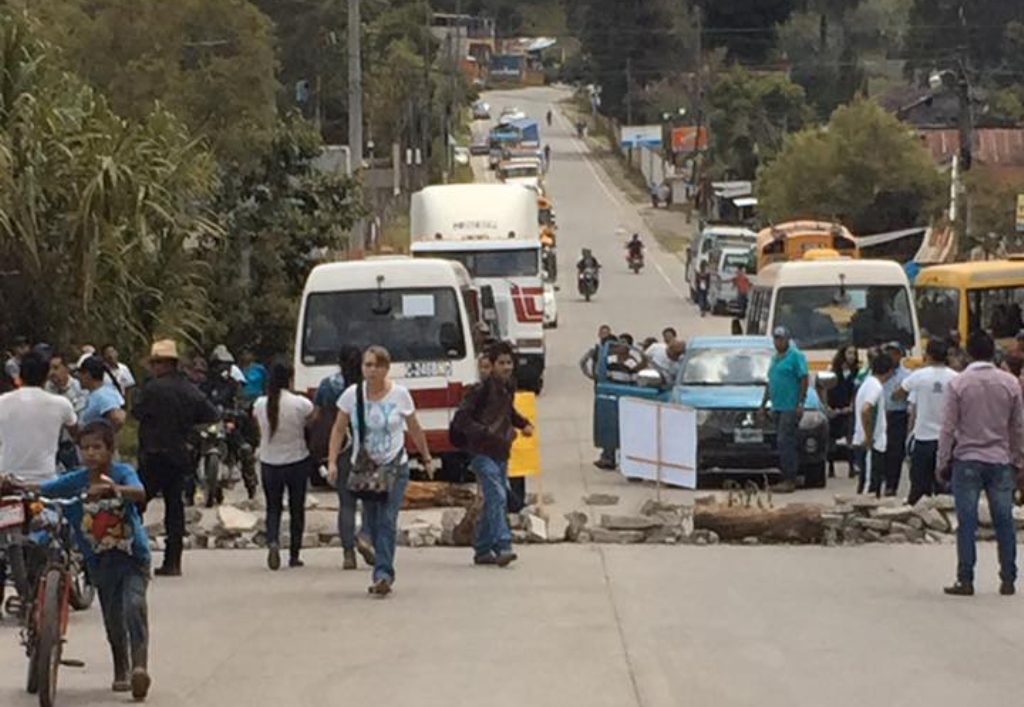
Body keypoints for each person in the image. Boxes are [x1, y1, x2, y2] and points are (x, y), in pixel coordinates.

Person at [3, 421, 152, 699]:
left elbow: (140, 491)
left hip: (133, 557)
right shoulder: (77, 480)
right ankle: (121, 667)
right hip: (99, 561)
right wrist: (15, 484)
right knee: (112, 617)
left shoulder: (122, 473)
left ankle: (140, 668)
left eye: (97, 447)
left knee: (134, 606)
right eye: (85, 448)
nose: (91, 453)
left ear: (110, 449)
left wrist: (115, 490)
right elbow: (46, 488)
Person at [327, 346, 433, 597]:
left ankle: (383, 574)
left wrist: (426, 456)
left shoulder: (400, 395)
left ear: (386, 368)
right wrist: (332, 461)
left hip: (394, 466)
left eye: (376, 365)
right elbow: (338, 429)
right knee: (372, 521)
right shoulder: (352, 395)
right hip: (365, 468)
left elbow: (414, 427)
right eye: (367, 365)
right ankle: (370, 546)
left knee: (387, 520)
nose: (371, 370)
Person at [937, 331, 1022, 597]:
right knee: (1004, 521)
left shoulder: (959, 384)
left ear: (969, 353)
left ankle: (966, 579)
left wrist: (942, 461)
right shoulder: (1010, 383)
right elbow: (1018, 427)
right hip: (1000, 460)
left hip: (967, 460)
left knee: (967, 521)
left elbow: (948, 428)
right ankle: (1008, 578)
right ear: (993, 352)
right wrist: (1019, 460)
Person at [132, 339, 219, 577]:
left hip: (153, 454)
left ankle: (131, 552)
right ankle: (173, 561)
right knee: (174, 508)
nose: (154, 367)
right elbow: (211, 414)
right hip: (180, 456)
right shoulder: (190, 389)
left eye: (156, 363)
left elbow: (137, 412)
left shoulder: (151, 389)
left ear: (164, 364)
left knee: (135, 504)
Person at [452, 342, 534, 567]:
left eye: (509, 363)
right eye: (502, 363)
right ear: (493, 365)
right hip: (481, 452)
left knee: (492, 501)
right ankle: (504, 545)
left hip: (501, 451)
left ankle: (482, 549)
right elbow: (461, 419)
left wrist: (523, 424)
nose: (507, 367)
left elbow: (508, 413)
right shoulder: (480, 391)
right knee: (498, 496)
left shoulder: (508, 387)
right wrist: (484, 433)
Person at [312, 346, 374, 570]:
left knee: (346, 504)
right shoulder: (369, 387)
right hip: (366, 449)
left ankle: (348, 553)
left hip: (340, 449)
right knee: (369, 501)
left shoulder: (328, 385)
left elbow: (317, 414)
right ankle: (365, 538)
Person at [253, 362, 315, 571]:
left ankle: (273, 542)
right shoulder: (300, 404)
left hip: (269, 462)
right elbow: (311, 421)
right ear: (291, 378)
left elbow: (257, 425)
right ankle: (294, 555)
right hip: (296, 460)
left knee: (273, 508)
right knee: (297, 509)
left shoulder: (260, 404)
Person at [0, 350, 78, 483]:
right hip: (45, 480)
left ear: (20, 373)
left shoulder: (2, 402)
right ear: (46, 375)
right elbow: (76, 434)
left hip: (7, 479)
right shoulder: (61, 404)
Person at [897, 339, 957, 505]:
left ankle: (918, 522)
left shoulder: (918, 376)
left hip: (923, 438)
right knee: (944, 487)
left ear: (928, 355)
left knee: (919, 486)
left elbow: (900, 392)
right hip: (948, 439)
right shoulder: (955, 378)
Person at [760, 327, 809, 494]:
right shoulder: (775, 359)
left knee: (785, 441)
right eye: (775, 339)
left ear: (788, 340)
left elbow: (804, 378)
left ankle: (789, 479)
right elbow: (770, 382)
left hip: (790, 406)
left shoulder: (796, 356)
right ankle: (788, 476)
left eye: (781, 339)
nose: (778, 342)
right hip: (777, 406)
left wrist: (801, 402)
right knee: (783, 443)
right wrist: (763, 404)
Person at [853, 353, 894, 497]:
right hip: (871, 444)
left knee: (872, 483)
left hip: (869, 442)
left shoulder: (868, 383)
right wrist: (869, 437)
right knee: (869, 488)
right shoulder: (875, 387)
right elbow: (866, 410)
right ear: (889, 371)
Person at [881, 342, 911, 496]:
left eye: (894, 353)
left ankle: (892, 485)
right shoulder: (879, 372)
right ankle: (881, 480)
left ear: (900, 355)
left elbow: (911, 396)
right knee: (881, 448)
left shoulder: (907, 375)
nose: (891, 356)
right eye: (888, 353)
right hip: (881, 414)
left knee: (895, 451)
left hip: (898, 414)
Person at [826, 345, 859, 478]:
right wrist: (828, 407)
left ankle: (851, 468)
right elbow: (826, 390)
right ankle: (831, 468)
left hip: (848, 409)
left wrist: (851, 406)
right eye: (849, 353)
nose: (852, 356)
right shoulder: (833, 371)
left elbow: (856, 391)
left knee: (850, 438)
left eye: (854, 353)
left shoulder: (856, 372)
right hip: (834, 408)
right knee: (831, 439)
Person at [79, 355, 127, 433]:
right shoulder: (103, 391)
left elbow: (118, 418)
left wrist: (107, 437)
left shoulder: (102, 395)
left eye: (80, 374)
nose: (79, 378)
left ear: (87, 374)